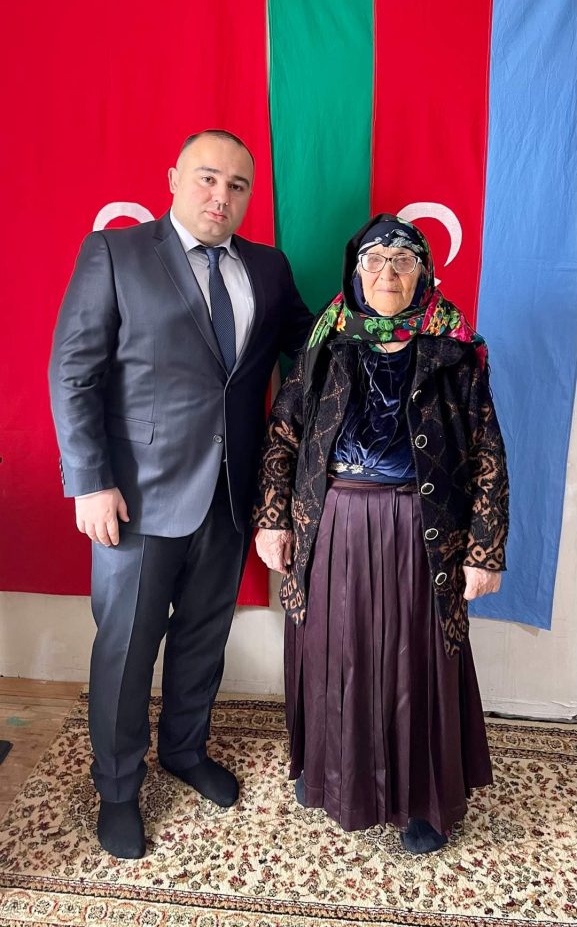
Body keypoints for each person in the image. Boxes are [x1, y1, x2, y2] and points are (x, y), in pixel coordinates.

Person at [49, 129, 312, 859]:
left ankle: (184, 751)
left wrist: (390, 331)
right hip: (135, 501)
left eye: (236, 185)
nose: (220, 196)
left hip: (230, 496)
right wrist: (90, 482)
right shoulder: (116, 253)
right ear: (173, 178)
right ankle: (117, 789)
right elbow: (73, 373)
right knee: (126, 651)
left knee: (202, 637)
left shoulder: (268, 266)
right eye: (206, 178)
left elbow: (309, 345)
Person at [254, 214, 508, 854]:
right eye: (373, 260)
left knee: (413, 660)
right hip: (332, 524)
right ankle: (333, 776)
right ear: (355, 271)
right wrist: (272, 518)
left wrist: (484, 551)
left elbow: (487, 453)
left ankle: (422, 802)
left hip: (422, 529)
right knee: (335, 651)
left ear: (424, 272)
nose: (387, 272)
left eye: (402, 260)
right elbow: (283, 435)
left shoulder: (455, 350)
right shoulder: (325, 343)